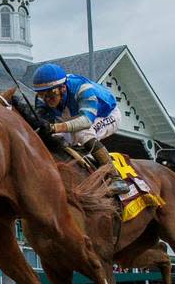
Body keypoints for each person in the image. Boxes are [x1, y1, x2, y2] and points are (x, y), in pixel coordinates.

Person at [30, 62, 131, 195]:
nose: (47, 99)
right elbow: (42, 125)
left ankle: (115, 178)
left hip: (105, 114)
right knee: (53, 139)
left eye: (51, 93)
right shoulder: (43, 99)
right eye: (42, 95)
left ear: (63, 88)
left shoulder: (82, 88)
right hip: (73, 116)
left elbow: (87, 121)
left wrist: (55, 127)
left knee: (82, 133)